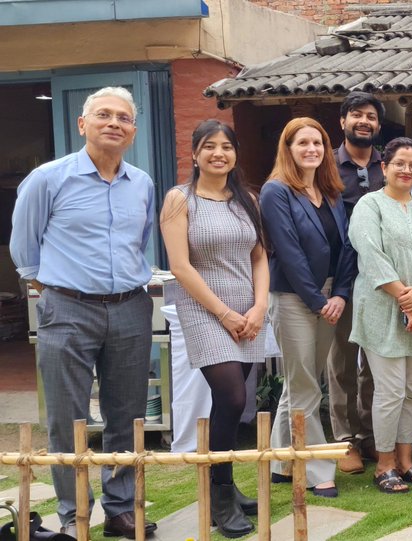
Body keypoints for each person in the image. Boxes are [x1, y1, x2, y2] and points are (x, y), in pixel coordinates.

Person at [10, 86, 158, 539]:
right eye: (103, 115)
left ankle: (120, 509)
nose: (114, 123)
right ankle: (74, 515)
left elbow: (140, 242)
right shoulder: (48, 179)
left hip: (131, 308)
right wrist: (56, 289)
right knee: (67, 418)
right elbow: (25, 250)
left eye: (123, 118)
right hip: (68, 309)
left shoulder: (142, 183)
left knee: (127, 415)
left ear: (133, 131)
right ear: (82, 124)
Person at [159, 120, 266, 537]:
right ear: (195, 153)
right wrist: (224, 313)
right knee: (232, 395)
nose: (218, 154)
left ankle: (223, 483)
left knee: (232, 404)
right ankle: (219, 497)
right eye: (209, 146)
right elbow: (180, 266)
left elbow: (259, 257)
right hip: (205, 310)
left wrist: (259, 306)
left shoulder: (248, 200)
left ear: (235, 154)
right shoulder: (179, 199)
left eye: (226, 147)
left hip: (247, 310)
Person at [261, 117, 355, 498]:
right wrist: (317, 301)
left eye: (317, 143)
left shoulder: (331, 192)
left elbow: (346, 248)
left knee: (300, 381)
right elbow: (288, 252)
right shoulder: (275, 192)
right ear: (288, 149)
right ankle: (317, 469)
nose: (311, 149)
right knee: (305, 386)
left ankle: (281, 462)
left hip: (330, 297)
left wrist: (340, 294)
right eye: (302, 143)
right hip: (293, 298)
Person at [348, 137, 412, 493]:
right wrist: (407, 301)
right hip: (382, 308)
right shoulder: (369, 205)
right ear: (384, 167)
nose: (407, 170)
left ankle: (406, 461)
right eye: (399, 164)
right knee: (390, 391)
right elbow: (370, 254)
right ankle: (385, 463)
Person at [330, 91, 385, 474]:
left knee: (375, 361)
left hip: (382, 279)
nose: (363, 121)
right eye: (356, 115)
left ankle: (369, 433)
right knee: (342, 361)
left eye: (370, 116)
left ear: (378, 125)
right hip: (342, 277)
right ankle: (344, 438)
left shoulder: (387, 165)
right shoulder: (328, 165)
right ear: (343, 121)